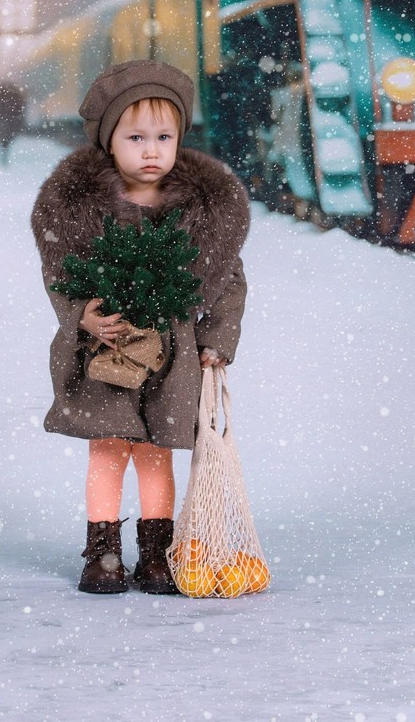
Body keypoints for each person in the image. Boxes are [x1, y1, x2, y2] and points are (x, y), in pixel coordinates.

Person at [30, 60, 249, 594]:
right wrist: (81, 312)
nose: (151, 150)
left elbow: (229, 282)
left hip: (173, 354)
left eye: (164, 136)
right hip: (104, 350)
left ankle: (157, 552)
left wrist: (216, 340)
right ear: (109, 143)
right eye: (135, 137)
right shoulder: (82, 211)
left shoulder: (199, 213)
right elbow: (59, 273)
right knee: (108, 448)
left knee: (156, 451)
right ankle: (103, 553)